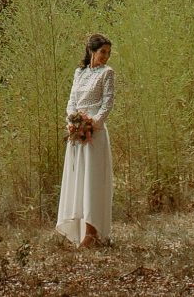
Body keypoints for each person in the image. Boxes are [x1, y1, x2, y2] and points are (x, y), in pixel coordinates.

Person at [56, 33, 116, 246]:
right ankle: (78, 230)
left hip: (94, 133)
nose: (106, 56)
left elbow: (107, 103)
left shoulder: (107, 73)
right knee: (78, 179)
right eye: (102, 52)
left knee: (92, 179)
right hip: (76, 133)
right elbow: (72, 100)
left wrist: (92, 124)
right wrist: (73, 122)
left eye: (108, 53)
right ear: (91, 50)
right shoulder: (79, 72)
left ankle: (92, 233)